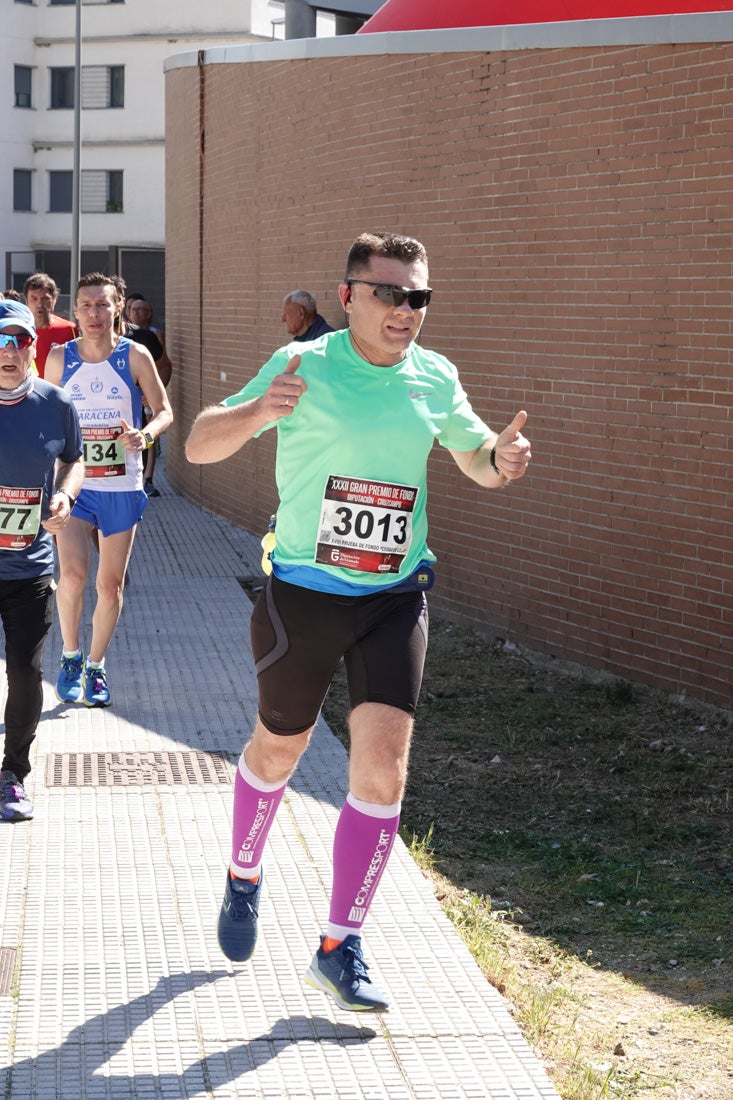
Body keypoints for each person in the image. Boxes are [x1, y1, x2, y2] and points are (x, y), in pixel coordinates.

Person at [185, 231, 531, 1012]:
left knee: (381, 770)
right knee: (279, 749)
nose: (406, 311)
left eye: (418, 298)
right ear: (348, 298)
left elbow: (474, 455)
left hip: (391, 598)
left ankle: (340, 945)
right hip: (303, 594)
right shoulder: (304, 364)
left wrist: (499, 461)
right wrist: (253, 412)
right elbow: (200, 443)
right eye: (390, 295)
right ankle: (244, 870)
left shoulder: (433, 377)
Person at [45, 273, 173, 708]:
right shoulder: (60, 359)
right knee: (74, 576)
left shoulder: (134, 355)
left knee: (110, 586)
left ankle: (96, 666)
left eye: (102, 305)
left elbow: (164, 411)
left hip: (122, 485)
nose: (94, 313)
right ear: (76, 310)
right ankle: (70, 656)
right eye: (86, 305)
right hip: (75, 485)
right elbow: (47, 424)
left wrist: (146, 436)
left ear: (117, 307)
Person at [0, 300, 84, 821]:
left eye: (19, 341)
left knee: (27, 675)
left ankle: (13, 774)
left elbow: (74, 459)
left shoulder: (56, 403)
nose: (8, 351)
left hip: (30, 565)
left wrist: (66, 498)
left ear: (34, 347)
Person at [126, 297, 172, 497]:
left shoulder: (149, 336)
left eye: (140, 309)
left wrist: (152, 392)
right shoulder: (81, 345)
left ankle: (148, 478)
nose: (135, 313)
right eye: (133, 309)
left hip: (143, 402)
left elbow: (164, 365)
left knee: (147, 432)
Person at [23, 273, 77, 378]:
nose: (39, 304)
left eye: (45, 298)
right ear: (26, 301)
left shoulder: (69, 329)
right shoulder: (18, 331)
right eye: (34, 298)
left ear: (54, 299)